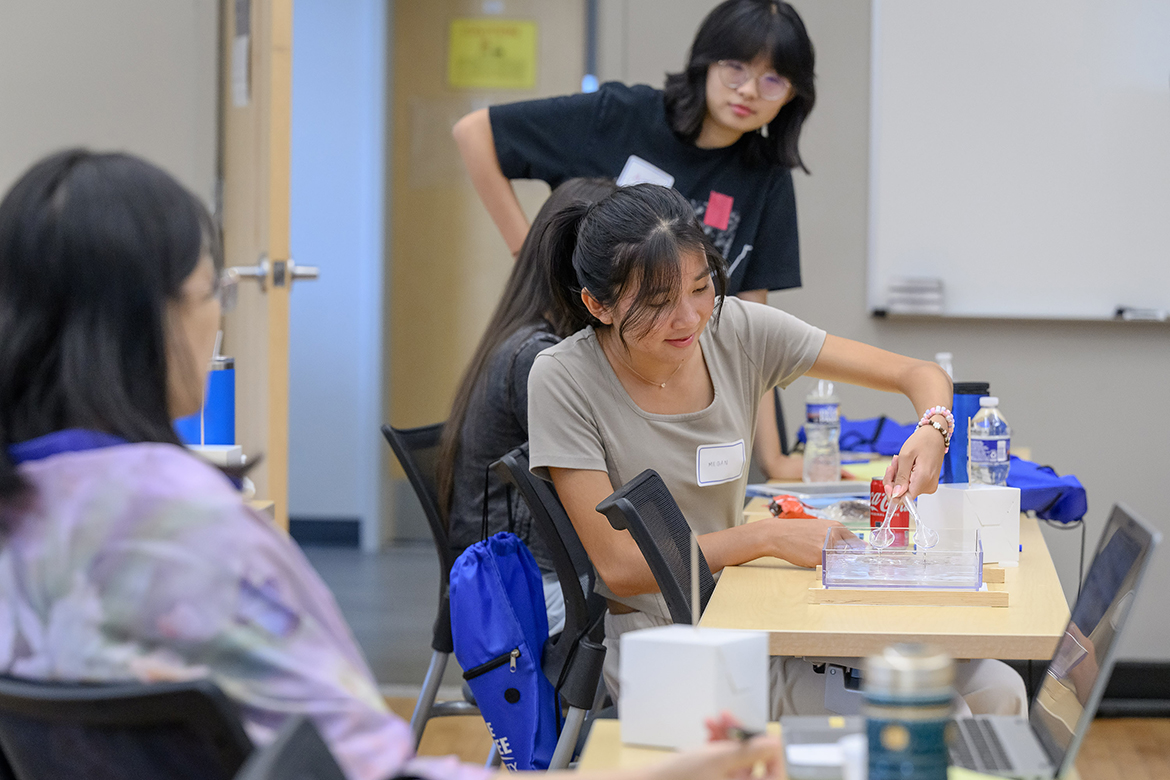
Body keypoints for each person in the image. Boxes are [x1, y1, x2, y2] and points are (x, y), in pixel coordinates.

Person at [0, 151, 783, 780]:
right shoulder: (189, 526)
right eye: (213, 291)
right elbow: (363, 765)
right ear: (152, 319)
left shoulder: (24, 516)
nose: (218, 317)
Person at [526, 183, 1027, 717]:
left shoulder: (734, 329)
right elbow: (622, 566)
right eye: (657, 303)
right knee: (937, 712)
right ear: (597, 305)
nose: (690, 318)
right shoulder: (563, 378)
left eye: (700, 288)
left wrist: (934, 427)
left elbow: (917, 373)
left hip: (753, 614)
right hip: (666, 650)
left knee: (999, 687)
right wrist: (767, 536)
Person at [454, 0, 815, 479]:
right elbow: (474, 133)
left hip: (678, 396)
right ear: (705, 61)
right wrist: (531, 256)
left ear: (793, 94)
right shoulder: (624, 116)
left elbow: (750, 325)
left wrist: (772, 460)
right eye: (735, 68)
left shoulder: (765, 175)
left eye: (773, 79)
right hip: (588, 378)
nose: (749, 90)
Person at [436, 177, 616, 633]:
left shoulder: (533, 338)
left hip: (530, 576)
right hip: (521, 590)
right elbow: (619, 473)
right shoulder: (538, 358)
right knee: (685, 601)